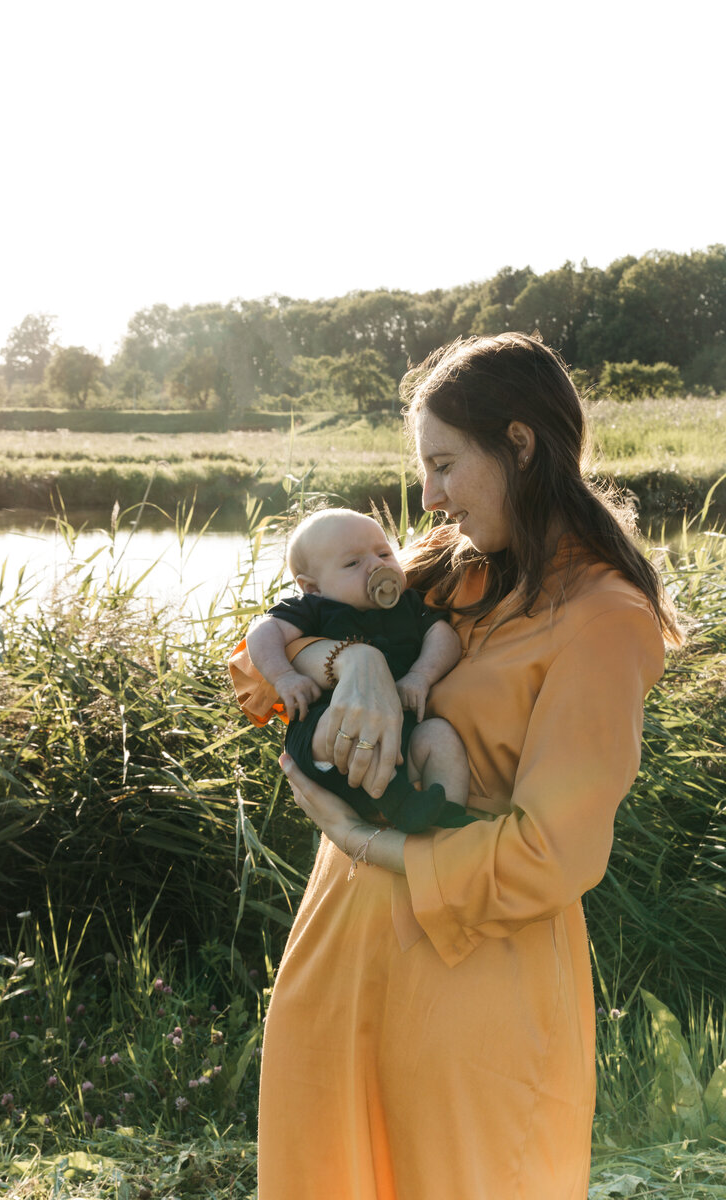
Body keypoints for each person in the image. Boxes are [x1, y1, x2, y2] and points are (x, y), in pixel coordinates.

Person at [229, 332, 681, 1199]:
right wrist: (350, 662)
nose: (428, 498)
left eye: (443, 466)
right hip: (338, 955)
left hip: (469, 994)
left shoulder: (605, 620)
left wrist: (370, 843)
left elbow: (552, 855)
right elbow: (256, 661)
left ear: (520, 444)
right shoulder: (445, 570)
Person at [245, 507, 474, 833]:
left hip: (399, 741)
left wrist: (421, 674)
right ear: (312, 587)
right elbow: (262, 632)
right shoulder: (315, 608)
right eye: (353, 563)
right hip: (327, 739)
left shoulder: (408, 604)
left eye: (384, 553)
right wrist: (284, 676)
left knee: (439, 735)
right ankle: (401, 804)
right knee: (344, 724)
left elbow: (444, 636)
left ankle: (449, 817)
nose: (377, 565)